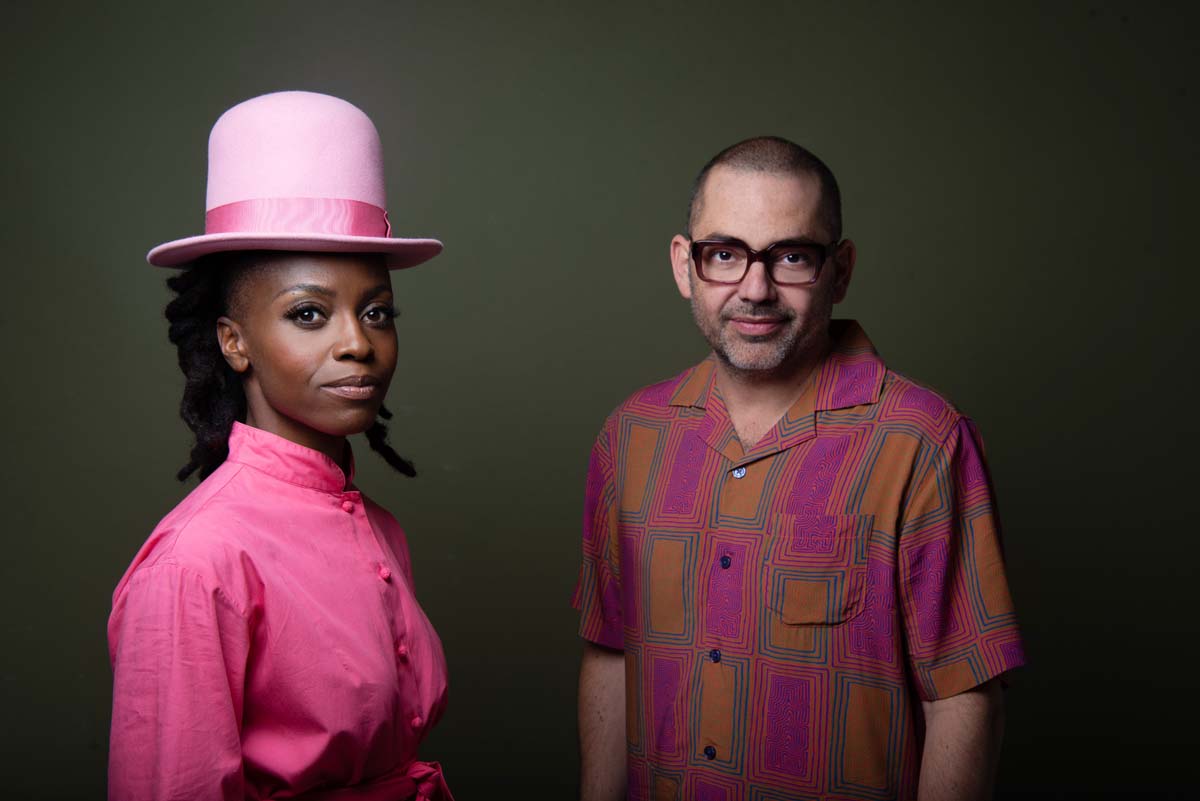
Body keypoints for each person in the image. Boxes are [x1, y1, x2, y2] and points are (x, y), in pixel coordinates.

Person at [573, 137, 1025, 801]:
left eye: (791, 256)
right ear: (684, 265)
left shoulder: (923, 441)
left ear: (839, 271)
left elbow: (964, 695)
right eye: (724, 254)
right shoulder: (630, 435)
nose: (756, 289)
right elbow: (611, 652)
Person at [108, 91, 453, 801]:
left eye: (377, 311)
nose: (357, 342)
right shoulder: (197, 563)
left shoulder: (379, 528)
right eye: (309, 313)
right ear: (234, 341)